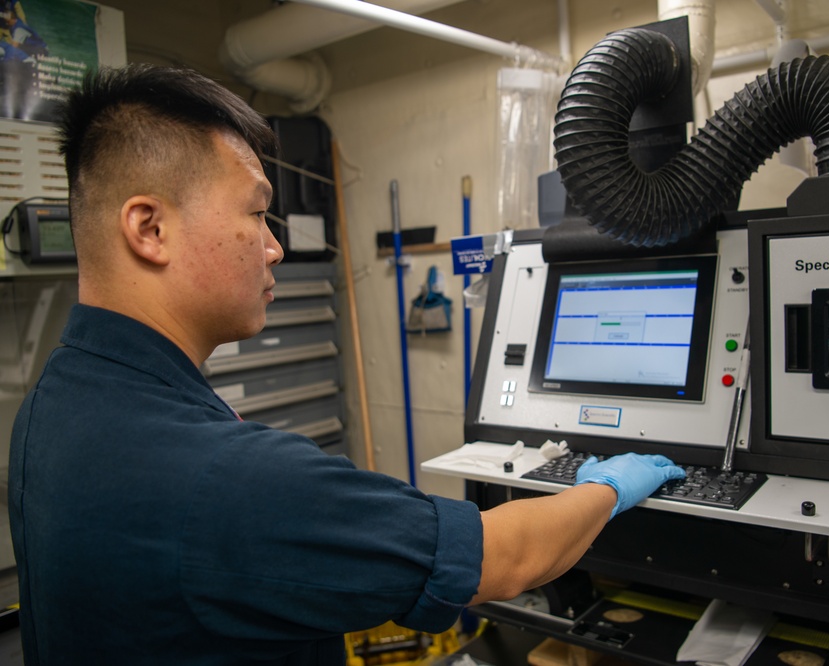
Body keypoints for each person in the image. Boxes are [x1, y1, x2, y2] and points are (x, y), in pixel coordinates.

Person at [7, 64, 686, 665]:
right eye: (257, 213)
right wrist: (612, 487)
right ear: (149, 228)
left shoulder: (51, 407)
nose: (275, 249)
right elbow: (502, 558)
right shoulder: (221, 477)